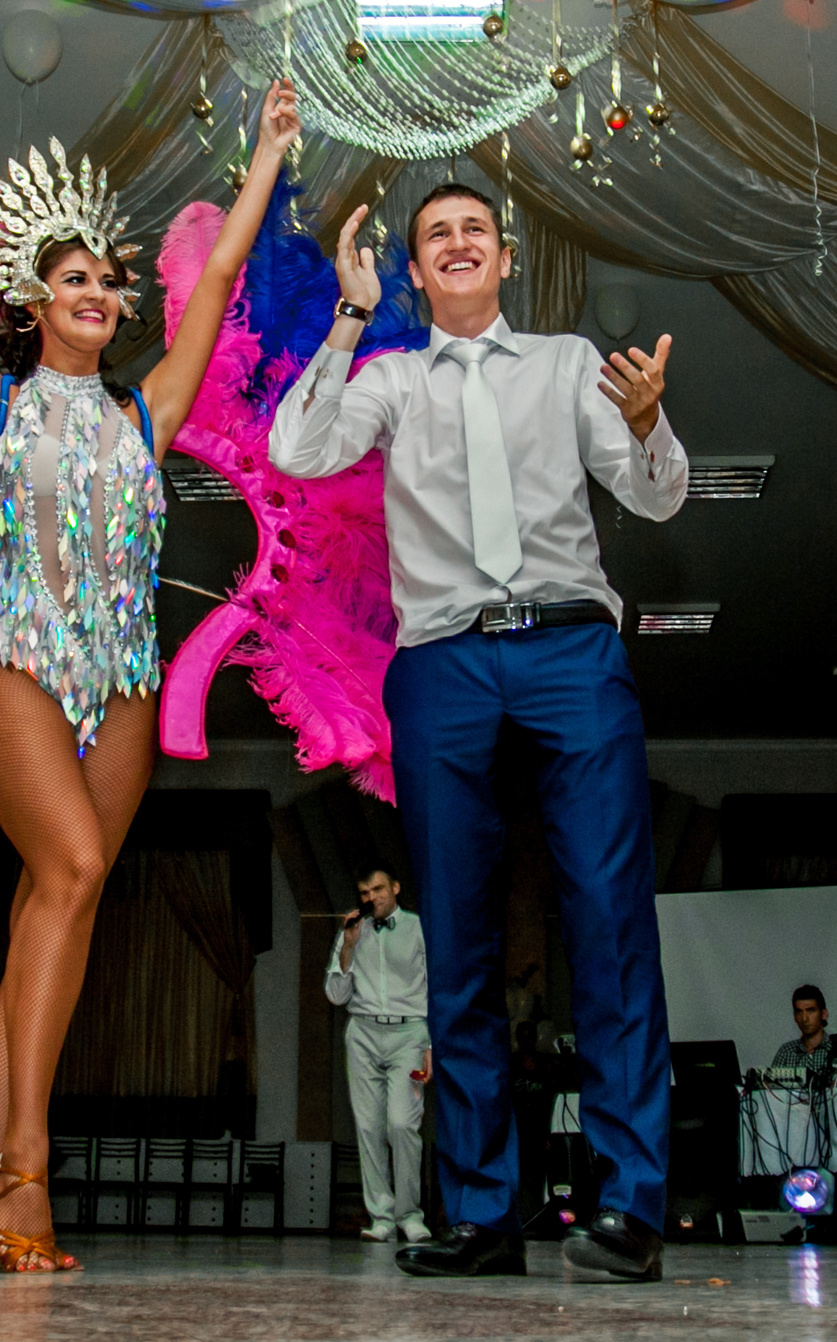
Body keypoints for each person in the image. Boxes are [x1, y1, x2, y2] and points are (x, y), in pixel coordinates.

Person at [0, 65, 297, 1273]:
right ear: (34, 298)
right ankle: (25, 1168)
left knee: (52, 905)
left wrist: (272, 157)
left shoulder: (146, 417)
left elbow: (220, 280)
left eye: (110, 281)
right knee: (72, 866)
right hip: (13, 658)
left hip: (120, 675)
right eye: (73, 278)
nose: (98, 292)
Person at [270, 185, 688, 1282]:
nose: (455, 245)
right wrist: (349, 316)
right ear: (413, 272)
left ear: (503, 257)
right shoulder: (392, 379)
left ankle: (630, 1208)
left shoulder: (563, 364)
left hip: (568, 654)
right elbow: (299, 450)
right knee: (454, 934)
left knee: (607, 918)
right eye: (433, 238)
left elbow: (652, 500)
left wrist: (647, 426)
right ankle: (481, 1216)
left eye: (473, 232)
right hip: (444, 662)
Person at [326, 863, 431, 1244]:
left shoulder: (419, 928)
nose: (371, 897)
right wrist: (349, 947)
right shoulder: (353, 932)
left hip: (410, 1034)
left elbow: (436, 987)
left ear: (396, 888)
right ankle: (382, 1217)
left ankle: (410, 1215)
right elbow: (336, 995)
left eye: (378, 889)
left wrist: (431, 1044)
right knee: (368, 1127)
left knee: (403, 1124)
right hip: (364, 1033)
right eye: (365, 892)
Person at [768, 985, 837, 1076]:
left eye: (810, 1010)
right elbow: (770, 1088)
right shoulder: (786, 1052)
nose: (804, 1019)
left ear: (824, 1014)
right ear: (794, 1016)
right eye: (799, 1012)